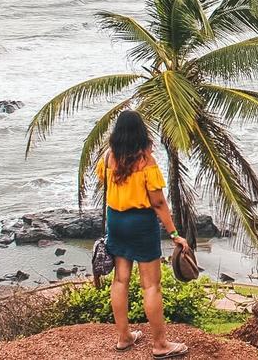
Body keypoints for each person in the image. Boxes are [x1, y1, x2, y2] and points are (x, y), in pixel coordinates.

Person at [97, 109, 189, 358]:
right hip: (140, 224)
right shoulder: (145, 162)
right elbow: (158, 203)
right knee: (151, 286)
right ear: (141, 134)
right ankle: (160, 345)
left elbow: (104, 182)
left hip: (116, 221)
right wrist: (174, 234)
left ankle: (124, 337)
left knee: (120, 280)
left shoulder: (108, 157)